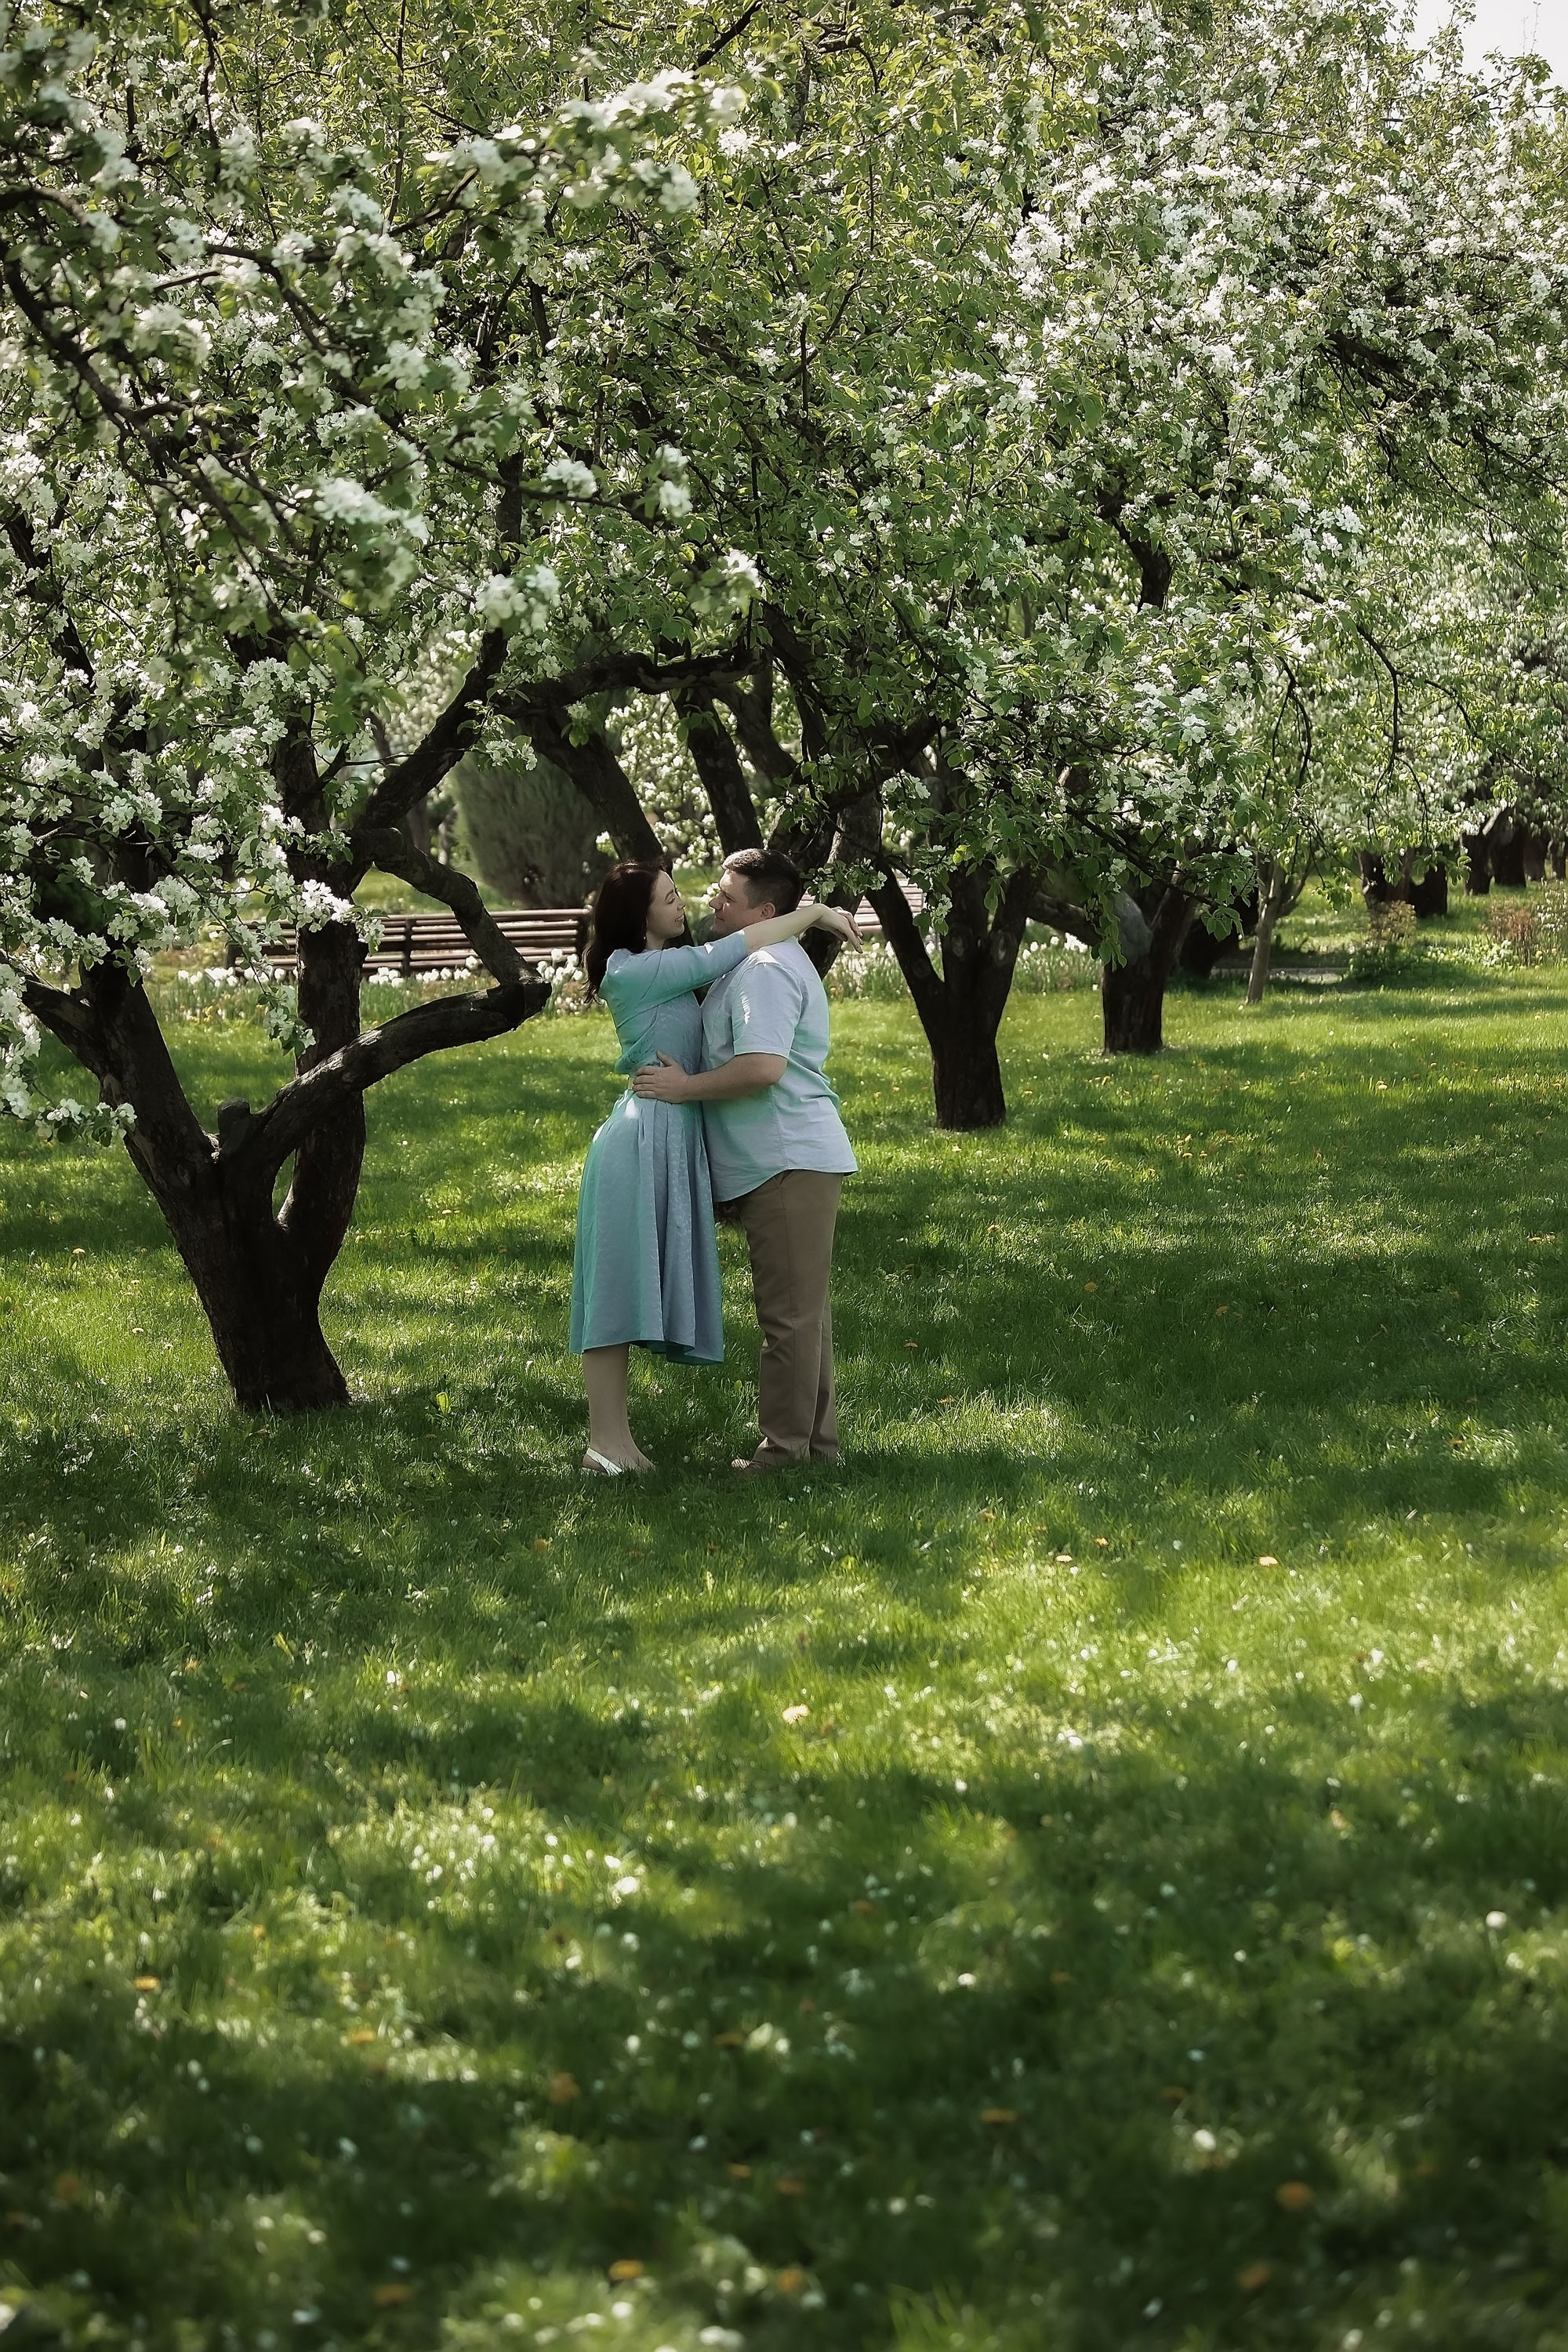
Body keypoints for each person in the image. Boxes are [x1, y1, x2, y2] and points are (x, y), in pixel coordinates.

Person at [570, 862, 858, 1475]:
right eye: (672, 896)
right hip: (642, 1139)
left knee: (795, 1315)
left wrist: (798, 919)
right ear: (640, 915)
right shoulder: (640, 969)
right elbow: (727, 952)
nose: (697, 903)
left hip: (696, 1137)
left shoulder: (745, 967)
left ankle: (798, 1452)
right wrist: (810, 917)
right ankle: (607, 1442)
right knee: (619, 1290)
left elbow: (760, 1049)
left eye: (718, 895)